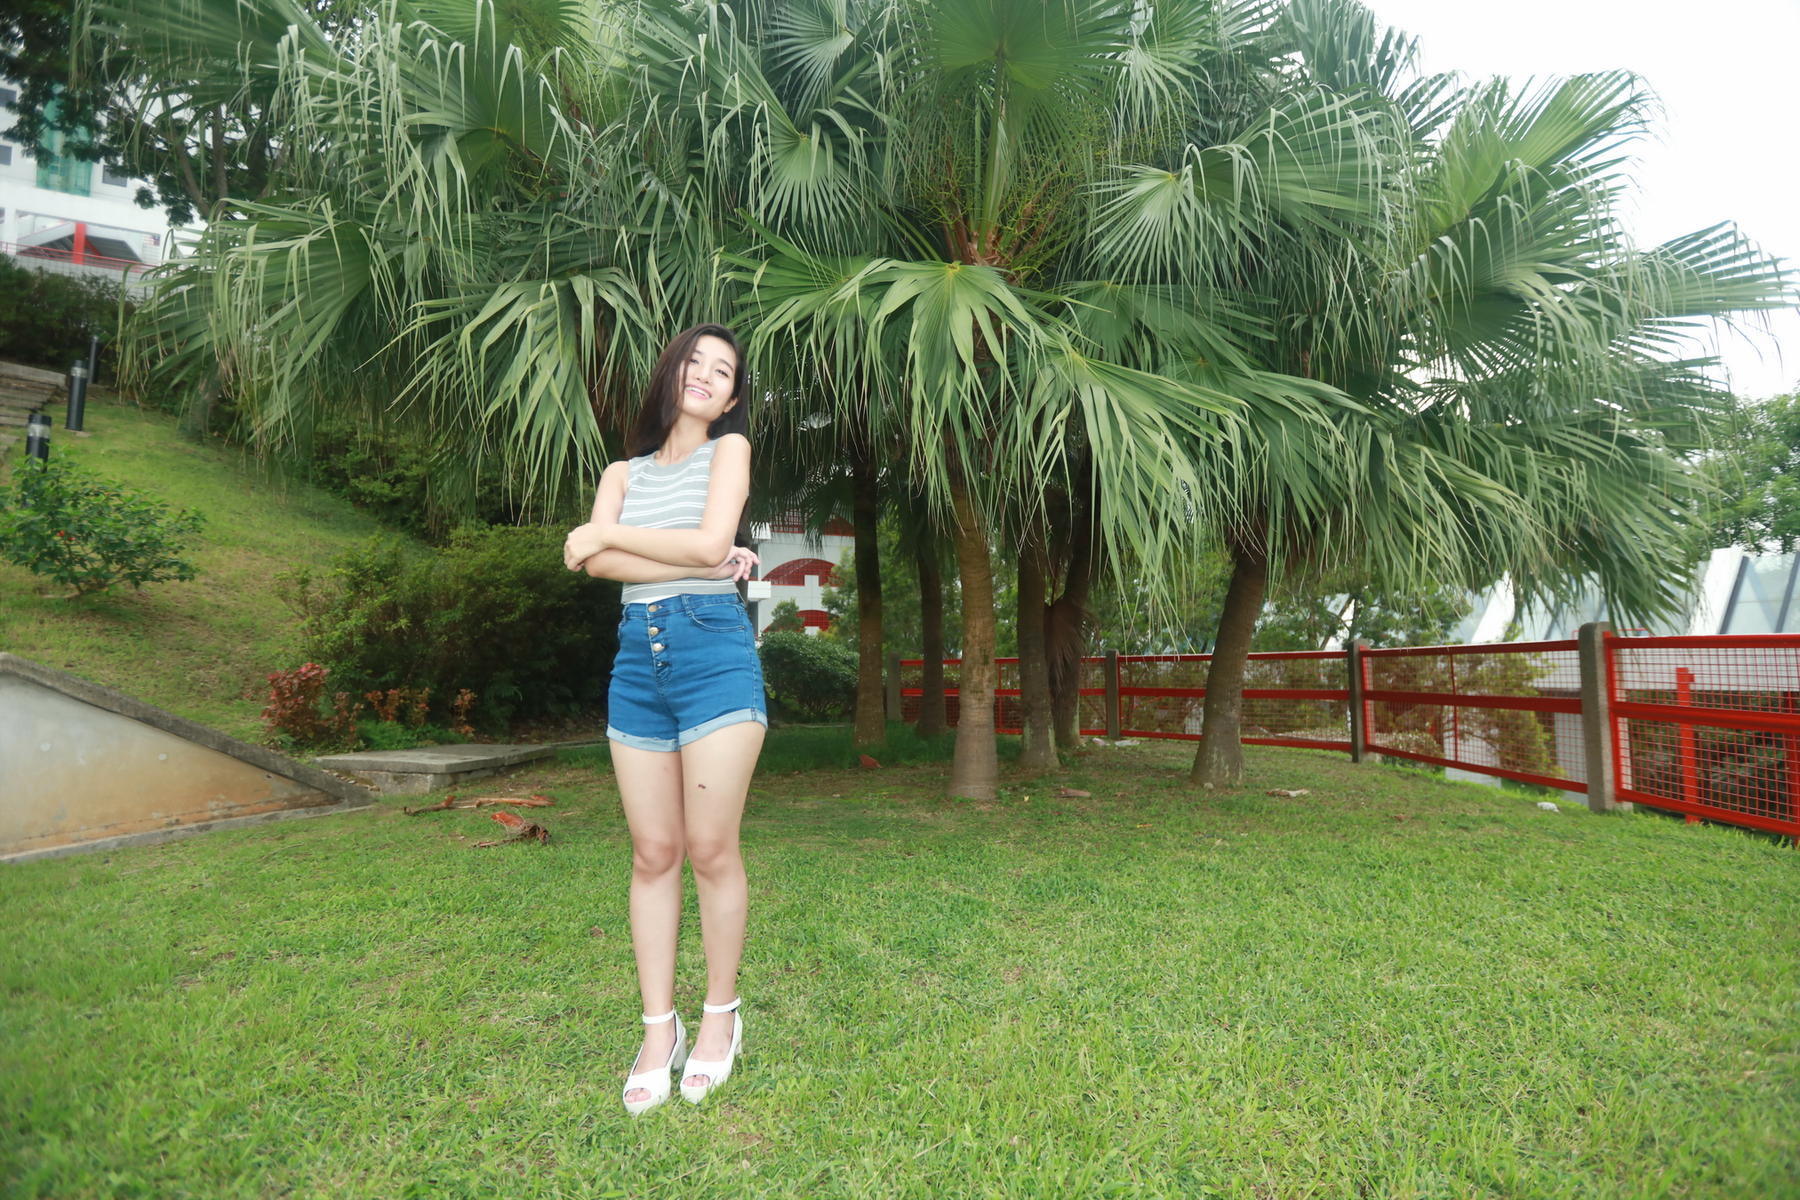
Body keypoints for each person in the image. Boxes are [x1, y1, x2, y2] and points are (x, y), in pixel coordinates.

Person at [563, 323, 766, 1114]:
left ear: (732, 397)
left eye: (725, 372)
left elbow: (709, 543)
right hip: (636, 661)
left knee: (710, 848)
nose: (707, 375)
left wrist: (609, 533)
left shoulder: (729, 452)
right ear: (671, 371)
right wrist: (678, 553)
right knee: (653, 853)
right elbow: (592, 564)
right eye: (696, 362)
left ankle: (720, 1018)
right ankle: (660, 1031)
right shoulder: (621, 472)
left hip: (714, 652)